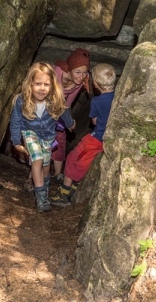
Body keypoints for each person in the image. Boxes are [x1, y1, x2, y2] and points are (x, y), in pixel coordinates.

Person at [10, 62, 76, 213]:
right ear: (30, 84)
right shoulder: (22, 100)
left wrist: (71, 124)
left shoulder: (55, 101)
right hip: (29, 133)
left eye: (46, 84)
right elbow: (15, 122)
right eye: (38, 83)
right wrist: (15, 141)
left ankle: (43, 188)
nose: (42, 88)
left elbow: (64, 114)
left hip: (47, 137)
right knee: (37, 160)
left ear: (52, 85)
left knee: (46, 167)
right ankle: (40, 197)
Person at [23, 48, 91, 192]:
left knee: (54, 141)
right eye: (78, 72)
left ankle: (49, 178)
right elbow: (56, 101)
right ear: (70, 68)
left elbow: (66, 105)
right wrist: (69, 122)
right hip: (40, 110)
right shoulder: (56, 73)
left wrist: (68, 122)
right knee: (39, 145)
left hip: (56, 113)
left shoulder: (78, 83)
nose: (81, 76)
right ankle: (31, 179)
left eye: (85, 72)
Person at [50, 63, 116, 207]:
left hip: (97, 138)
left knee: (73, 158)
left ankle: (65, 193)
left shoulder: (97, 100)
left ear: (96, 84)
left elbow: (94, 120)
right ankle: (74, 187)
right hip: (109, 139)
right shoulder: (117, 97)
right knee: (85, 161)